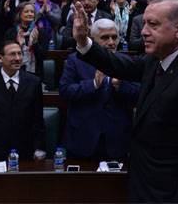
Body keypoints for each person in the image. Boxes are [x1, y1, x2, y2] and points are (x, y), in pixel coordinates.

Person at [72, 0, 178, 202]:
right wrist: (84, 42)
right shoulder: (159, 57)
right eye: (144, 23)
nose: (143, 31)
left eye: (153, 24)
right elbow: (123, 66)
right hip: (144, 183)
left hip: (167, 193)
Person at [59, 19, 139, 160]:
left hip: (117, 140)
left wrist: (121, 86)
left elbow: (140, 94)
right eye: (105, 38)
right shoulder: (75, 60)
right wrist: (93, 84)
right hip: (83, 138)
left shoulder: (126, 61)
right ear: (93, 40)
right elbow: (65, 91)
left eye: (114, 37)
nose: (111, 42)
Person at [0, 41, 46, 162]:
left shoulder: (34, 82)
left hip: (25, 151)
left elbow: (37, 120)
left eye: (19, 54)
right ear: (0, 58)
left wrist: (39, 148)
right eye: (12, 54)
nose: (17, 58)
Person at [4, 1, 47, 78]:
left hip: (35, 73)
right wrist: (18, 45)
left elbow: (42, 56)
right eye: (26, 12)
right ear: (19, 14)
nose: (30, 14)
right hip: (14, 73)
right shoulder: (11, 32)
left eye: (32, 12)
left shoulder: (40, 32)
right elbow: (7, 55)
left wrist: (35, 43)